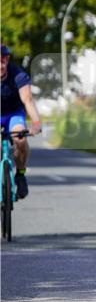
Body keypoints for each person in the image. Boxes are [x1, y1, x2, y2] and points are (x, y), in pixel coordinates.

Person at [0, 44, 42, 199]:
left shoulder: (18, 75)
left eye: (3, 61)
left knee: (20, 139)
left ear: (7, 60)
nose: (0, 66)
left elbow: (28, 100)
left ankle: (20, 175)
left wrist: (36, 124)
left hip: (13, 114)